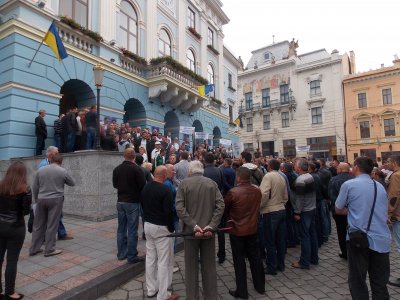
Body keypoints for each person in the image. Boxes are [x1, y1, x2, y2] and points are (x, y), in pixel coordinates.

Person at [336, 157, 391, 300]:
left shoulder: (349, 185)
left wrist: (352, 210)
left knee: (358, 281)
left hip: (358, 240)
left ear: (355, 167)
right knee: (380, 284)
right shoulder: (379, 186)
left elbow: (338, 208)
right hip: (381, 239)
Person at [176, 161, 225, 300]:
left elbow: (179, 208)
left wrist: (193, 225)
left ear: (190, 171)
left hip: (191, 232)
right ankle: (211, 296)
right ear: (202, 170)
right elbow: (221, 205)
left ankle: (192, 297)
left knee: (191, 268)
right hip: (208, 232)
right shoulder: (211, 183)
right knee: (209, 267)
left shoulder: (183, 184)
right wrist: (212, 225)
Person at [224, 167, 265, 298]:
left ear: (239, 177)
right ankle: (260, 286)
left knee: (239, 260)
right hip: (252, 228)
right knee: (255, 257)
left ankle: (242, 291)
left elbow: (225, 209)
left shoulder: (233, 192)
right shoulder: (257, 191)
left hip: (237, 231)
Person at [141, 166, 178, 300]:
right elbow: (168, 212)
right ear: (164, 174)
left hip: (148, 225)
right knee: (164, 261)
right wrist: (170, 228)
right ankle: (163, 295)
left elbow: (143, 207)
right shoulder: (165, 189)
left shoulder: (146, 187)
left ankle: (151, 290)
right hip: (161, 227)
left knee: (150, 258)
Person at [30, 153, 75, 257]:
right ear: (60, 162)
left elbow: (35, 186)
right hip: (56, 200)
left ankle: (33, 249)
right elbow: (72, 183)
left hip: (41, 199)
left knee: (38, 225)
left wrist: (36, 199)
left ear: (50, 160)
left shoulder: (40, 170)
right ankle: (49, 249)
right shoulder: (62, 171)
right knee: (52, 225)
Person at [0, 162, 32, 300]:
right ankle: (10, 292)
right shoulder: (25, 189)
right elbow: (25, 211)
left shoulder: (1, 186)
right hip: (16, 227)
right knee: (12, 260)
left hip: (0, 225)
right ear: (23, 174)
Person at [112, 148, 146, 264]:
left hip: (120, 201)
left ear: (124, 156)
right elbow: (142, 186)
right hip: (132, 202)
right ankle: (132, 256)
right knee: (132, 230)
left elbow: (115, 184)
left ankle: (121, 254)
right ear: (134, 157)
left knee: (121, 228)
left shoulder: (117, 169)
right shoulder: (137, 169)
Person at [38, 146, 73, 240]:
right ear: (50, 154)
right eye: (56, 153)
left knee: (58, 216)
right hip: (49, 196)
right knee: (49, 217)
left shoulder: (54, 164)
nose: (58, 154)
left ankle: (61, 234)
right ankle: (46, 238)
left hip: (54, 196)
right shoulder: (43, 164)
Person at [259, 159, 288, 275]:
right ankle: (281, 265)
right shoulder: (282, 176)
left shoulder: (268, 176)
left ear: (269, 166)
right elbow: (286, 195)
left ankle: (272, 266)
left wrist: (259, 207)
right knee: (280, 240)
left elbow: (264, 194)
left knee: (270, 240)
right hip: (281, 209)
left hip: (270, 211)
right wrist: (282, 203)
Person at [292, 159, 318, 269]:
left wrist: (297, 212)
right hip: (311, 208)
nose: (294, 167)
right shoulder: (309, 176)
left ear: (299, 168)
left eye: (295, 165)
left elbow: (299, 199)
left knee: (305, 236)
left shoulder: (300, 180)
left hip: (305, 211)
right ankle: (314, 258)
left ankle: (304, 262)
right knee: (312, 234)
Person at [203, 153, 226, 264]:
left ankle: (205, 254)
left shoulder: (203, 172)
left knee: (205, 226)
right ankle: (222, 254)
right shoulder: (219, 170)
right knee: (220, 229)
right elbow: (222, 185)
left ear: (205, 161)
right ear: (213, 161)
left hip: (205, 203)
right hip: (217, 201)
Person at [328, 163, 353, 260]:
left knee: (341, 231)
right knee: (352, 230)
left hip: (339, 211)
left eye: (338, 168)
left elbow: (331, 196)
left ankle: (345, 252)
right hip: (352, 210)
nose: (336, 169)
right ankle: (354, 249)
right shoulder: (354, 178)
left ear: (341, 169)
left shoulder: (333, 179)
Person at [387, 156, 400, 287]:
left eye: (388, 162)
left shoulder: (396, 176)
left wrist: (389, 213)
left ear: (395, 163)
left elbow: (394, 196)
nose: (387, 164)